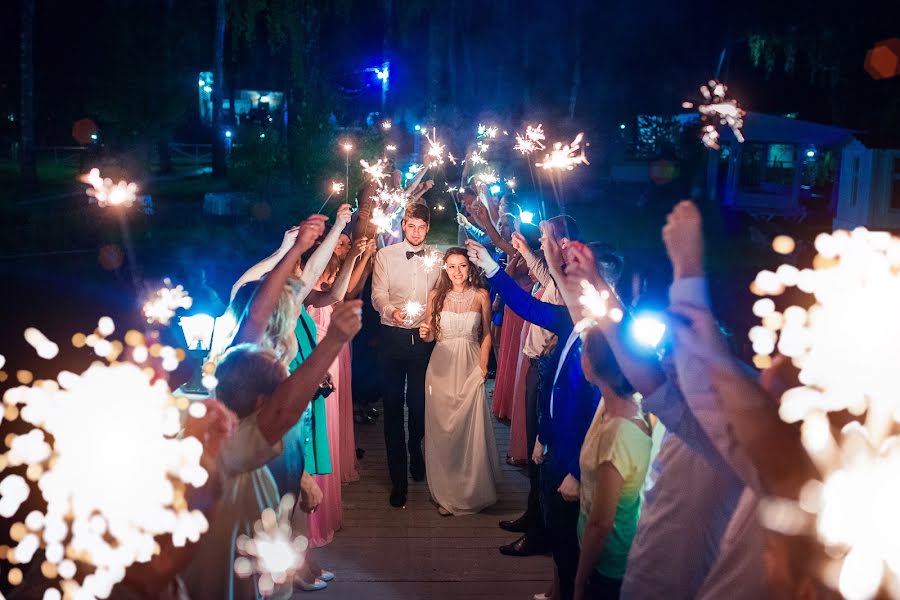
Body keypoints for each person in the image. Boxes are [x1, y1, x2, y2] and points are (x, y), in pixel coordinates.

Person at [181, 300, 362, 600]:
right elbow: (282, 413)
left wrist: (298, 250)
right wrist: (334, 340)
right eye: (283, 386)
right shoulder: (232, 450)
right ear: (261, 404)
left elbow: (251, 331)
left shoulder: (238, 425)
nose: (288, 389)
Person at [418, 248, 500, 516]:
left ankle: (472, 489)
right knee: (444, 430)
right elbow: (429, 336)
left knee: (469, 428)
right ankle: (446, 492)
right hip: (441, 366)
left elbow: (487, 334)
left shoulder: (481, 295)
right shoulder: (435, 296)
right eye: (451, 266)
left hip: (470, 364)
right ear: (445, 269)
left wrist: (484, 365)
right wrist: (425, 331)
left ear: (470, 268)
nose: (457, 271)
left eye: (462, 266)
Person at [371, 202, 441, 507]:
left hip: (423, 339)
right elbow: (377, 295)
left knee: (419, 404)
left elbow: (440, 295)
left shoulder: (436, 259)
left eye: (421, 227)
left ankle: (416, 449)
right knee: (393, 407)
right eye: (411, 225)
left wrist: (431, 323)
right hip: (391, 337)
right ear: (402, 225)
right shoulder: (385, 256)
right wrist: (391, 311)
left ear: (427, 228)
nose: (415, 232)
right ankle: (398, 480)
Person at [574, 329, 652, 600]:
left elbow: (601, 523)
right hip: (593, 546)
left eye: (584, 350)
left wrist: (579, 581)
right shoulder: (610, 407)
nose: (580, 356)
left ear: (591, 362)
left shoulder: (619, 435)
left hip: (607, 562)